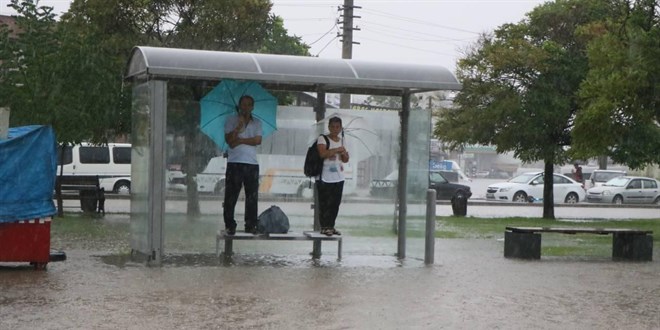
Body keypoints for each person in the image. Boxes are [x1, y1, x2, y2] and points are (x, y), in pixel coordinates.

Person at [223, 95, 262, 235]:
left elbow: (257, 140)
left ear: (252, 107)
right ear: (239, 106)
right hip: (234, 163)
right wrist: (236, 129)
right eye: (243, 104)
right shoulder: (231, 120)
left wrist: (240, 140)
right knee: (231, 195)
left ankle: (251, 224)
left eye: (249, 105)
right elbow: (229, 141)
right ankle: (230, 224)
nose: (246, 107)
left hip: (251, 163)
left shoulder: (256, 122)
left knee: (252, 196)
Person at [316, 116, 349, 236]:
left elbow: (345, 160)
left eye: (338, 127)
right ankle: (324, 226)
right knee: (325, 203)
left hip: (339, 176)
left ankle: (331, 225)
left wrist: (344, 153)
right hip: (325, 176)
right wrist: (336, 150)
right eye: (333, 127)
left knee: (335, 203)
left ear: (340, 128)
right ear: (329, 127)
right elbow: (322, 154)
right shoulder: (322, 139)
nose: (335, 129)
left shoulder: (343, 140)